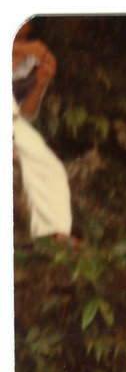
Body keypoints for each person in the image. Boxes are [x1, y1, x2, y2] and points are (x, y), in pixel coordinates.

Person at [12, 23, 73, 241]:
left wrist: (39, 83)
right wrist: (20, 48)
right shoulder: (27, 49)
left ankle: (56, 234)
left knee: (50, 165)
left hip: (11, 122)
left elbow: (27, 114)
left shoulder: (35, 61)